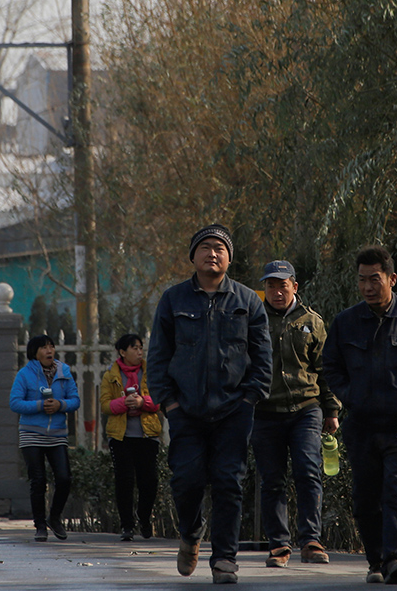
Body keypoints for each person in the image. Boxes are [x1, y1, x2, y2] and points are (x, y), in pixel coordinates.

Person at [147, 224, 272, 585]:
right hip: (184, 410)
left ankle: (225, 560)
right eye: (205, 248)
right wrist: (168, 402)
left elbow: (262, 357)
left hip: (234, 410)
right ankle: (191, 532)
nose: (212, 253)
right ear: (193, 256)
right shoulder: (173, 300)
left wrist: (250, 398)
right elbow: (158, 357)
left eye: (219, 248)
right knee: (186, 480)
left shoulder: (249, 301)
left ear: (229, 257)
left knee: (229, 483)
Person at [323, 246, 397, 585]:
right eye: (361, 281)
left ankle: (395, 559)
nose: (367, 287)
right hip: (361, 426)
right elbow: (331, 366)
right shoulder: (345, 323)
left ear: (391, 278)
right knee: (366, 499)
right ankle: (376, 560)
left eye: (374, 280)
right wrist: (349, 396)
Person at [250, 259, 341, 569]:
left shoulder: (311, 321)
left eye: (282, 285)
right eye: (271, 285)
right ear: (264, 288)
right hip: (265, 411)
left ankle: (311, 540)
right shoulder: (253, 320)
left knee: (307, 471)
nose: (276, 291)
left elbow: (325, 368)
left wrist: (331, 410)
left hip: (306, 409)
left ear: (294, 287)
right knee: (272, 480)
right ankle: (279, 544)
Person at [9, 334, 80, 541]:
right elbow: (15, 403)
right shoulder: (25, 374)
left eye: (51, 346)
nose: (49, 350)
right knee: (38, 480)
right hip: (31, 433)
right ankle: (40, 525)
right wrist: (40, 405)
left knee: (64, 478)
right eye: (44, 347)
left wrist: (60, 405)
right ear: (34, 353)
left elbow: (75, 400)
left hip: (57, 433)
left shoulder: (64, 372)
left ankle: (54, 517)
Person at [100, 332, 162, 542]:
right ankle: (127, 525)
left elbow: (159, 400)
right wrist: (123, 404)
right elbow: (105, 405)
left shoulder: (150, 372)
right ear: (122, 352)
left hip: (147, 435)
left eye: (140, 347)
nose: (138, 352)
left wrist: (142, 403)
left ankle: (144, 517)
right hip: (121, 436)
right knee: (124, 481)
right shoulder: (111, 375)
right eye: (134, 348)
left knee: (149, 481)